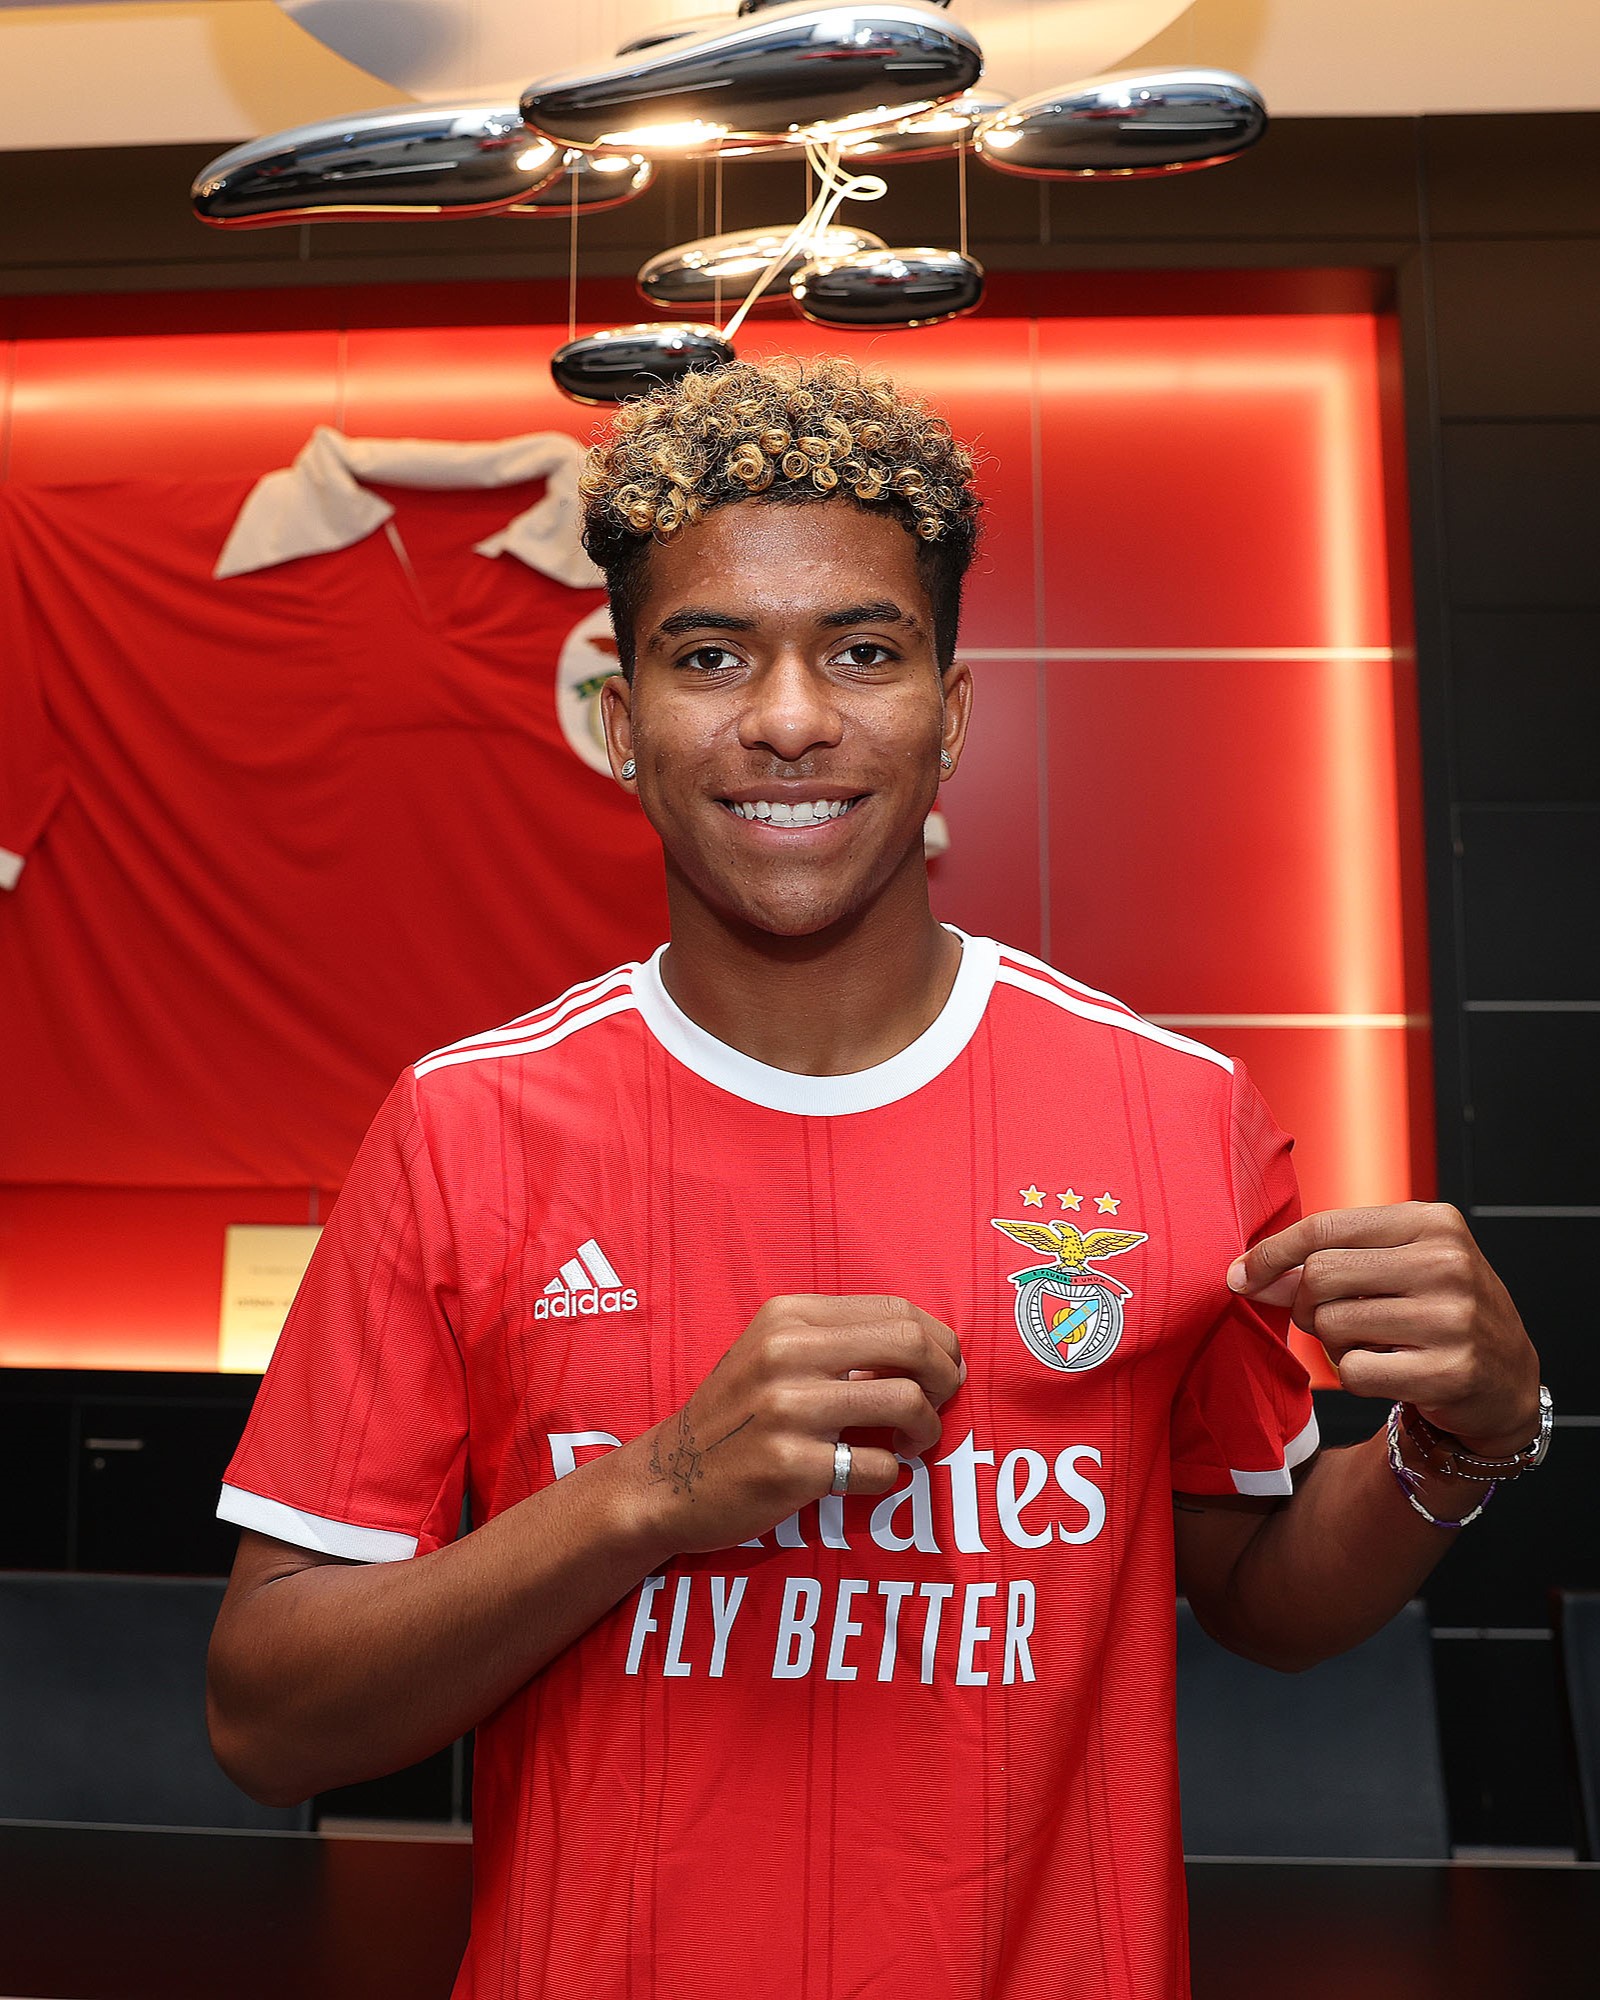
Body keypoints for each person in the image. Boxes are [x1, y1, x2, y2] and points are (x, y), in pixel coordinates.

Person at [207, 355, 1548, 1999]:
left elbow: (1261, 1597)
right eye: (712, 655)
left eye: (862, 650)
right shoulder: (462, 1126)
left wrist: (1460, 1442)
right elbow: (266, 1719)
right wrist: (654, 1489)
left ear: (951, 713)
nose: (789, 718)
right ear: (620, 724)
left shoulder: (1177, 1111)